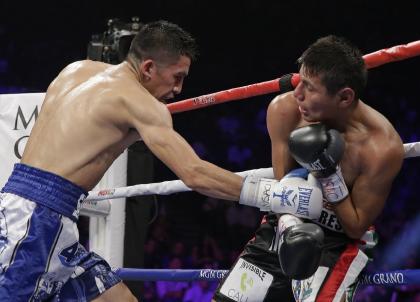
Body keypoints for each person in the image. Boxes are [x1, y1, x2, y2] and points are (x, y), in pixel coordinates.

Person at [0, 20, 324, 301]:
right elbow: (194, 173)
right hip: (39, 220)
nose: (179, 90)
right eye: (177, 77)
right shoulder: (139, 104)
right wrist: (277, 194)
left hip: (36, 208)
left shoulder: (77, 70)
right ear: (148, 68)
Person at [213, 35, 405, 302]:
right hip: (287, 222)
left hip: (339, 241)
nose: (297, 93)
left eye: (310, 88)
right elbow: (284, 194)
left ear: (345, 97)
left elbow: (355, 226)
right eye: (299, 81)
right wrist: (290, 227)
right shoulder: (286, 111)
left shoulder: (380, 148)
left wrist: (328, 171)